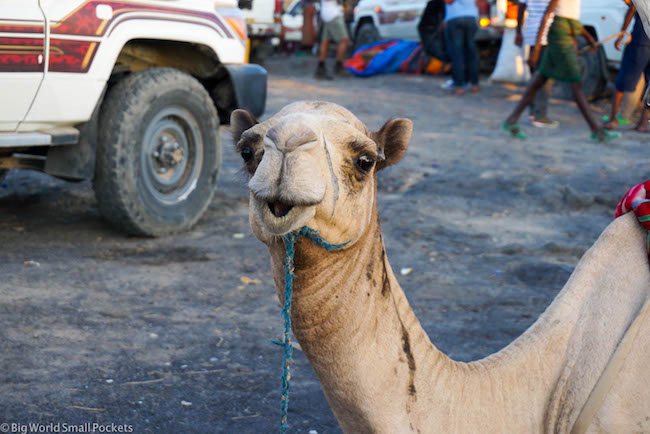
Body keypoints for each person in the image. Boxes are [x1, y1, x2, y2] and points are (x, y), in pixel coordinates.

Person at [502, 0, 620, 142]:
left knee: (540, 79)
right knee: (576, 83)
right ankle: (596, 130)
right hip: (560, 36)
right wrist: (537, 49)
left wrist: (589, 39)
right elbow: (549, 16)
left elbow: (571, 20)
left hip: (562, 32)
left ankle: (511, 120)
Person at [603, 2, 650, 133]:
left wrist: (622, 33)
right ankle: (643, 124)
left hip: (641, 42)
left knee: (622, 82)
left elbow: (632, 7)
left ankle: (613, 119)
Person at [515, 0, 559, 128]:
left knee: (536, 75)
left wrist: (518, 31)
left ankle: (533, 112)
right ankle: (540, 115)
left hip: (531, 33)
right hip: (546, 34)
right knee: (545, 77)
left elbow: (521, 7)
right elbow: (547, 14)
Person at [442, 0, 480, 94]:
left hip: (455, 17)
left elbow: (448, 1)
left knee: (457, 53)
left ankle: (458, 86)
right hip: (472, 17)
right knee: (471, 52)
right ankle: (474, 84)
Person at [314, 0, 351, 80]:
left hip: (328, 14)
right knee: (344, 40)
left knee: (325, 41)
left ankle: (320, 68)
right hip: (333, 15)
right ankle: (338, 66)